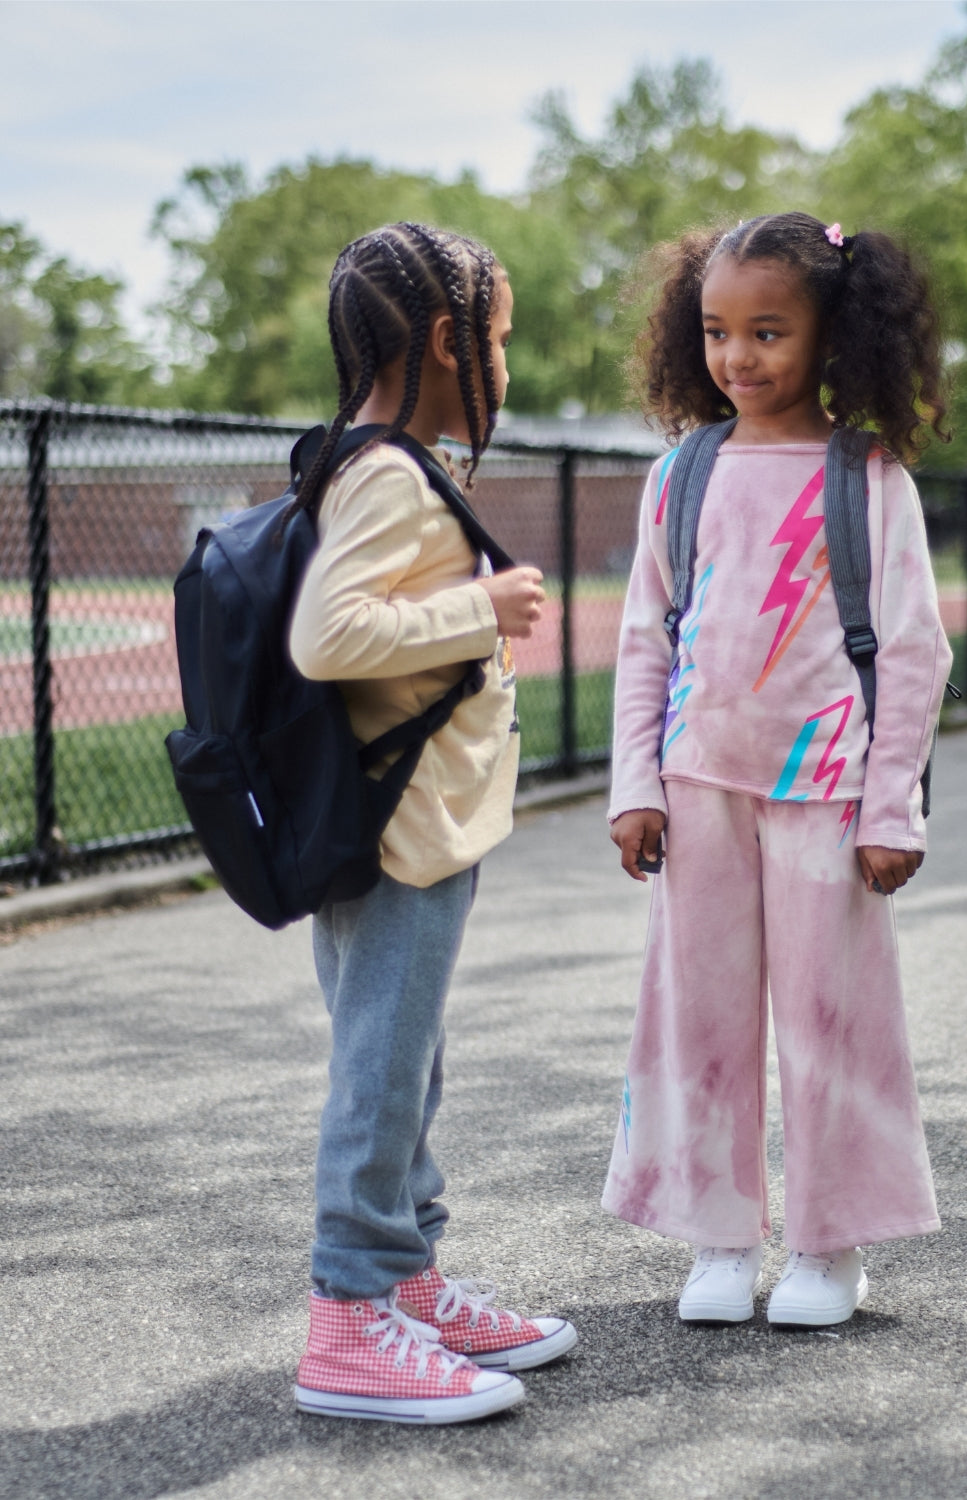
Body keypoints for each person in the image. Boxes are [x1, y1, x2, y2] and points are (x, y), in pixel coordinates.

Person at [605, 212, 952, 1329]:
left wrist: (890, 806)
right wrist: (636, 784)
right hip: (700, 786)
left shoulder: (869, 477)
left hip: (829, 795)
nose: (739, 358)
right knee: (697, 1017)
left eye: (767, 332)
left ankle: (830, 1245)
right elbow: (645, 636)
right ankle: (716, 1236)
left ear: (835, 336)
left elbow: (912, 651)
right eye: (716, 332)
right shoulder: (681, 474)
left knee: (831, 1022)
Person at [286, 223, 576, 1424]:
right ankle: (349, 1321)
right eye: (498, 336)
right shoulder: (390, 473)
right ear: (453, 341)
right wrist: (481, 606)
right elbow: (326, 636)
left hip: (403, 824)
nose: (504, 358)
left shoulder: (363, 458)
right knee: (382, 1070)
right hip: (397, 832)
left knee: (407, 1064)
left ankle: (406, 1280)